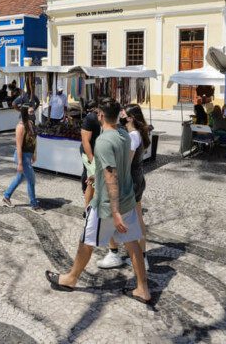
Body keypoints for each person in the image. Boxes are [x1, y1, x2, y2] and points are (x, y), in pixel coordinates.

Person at [44, 98, 151, 305]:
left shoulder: (103, 141)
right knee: (132, 243)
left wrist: (115, 210)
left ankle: (71, 279)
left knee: (86, 241)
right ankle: (142, 289)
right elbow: (116, 166)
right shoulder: (123, 135)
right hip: (128, 198)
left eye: (97, 113)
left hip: (108, 205)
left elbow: (111, 175)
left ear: (101, 115)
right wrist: (98, 177)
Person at [97, 103, 152, 270]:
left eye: (123, 113)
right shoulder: (135, 133)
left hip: (131, 181)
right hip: (137, 178)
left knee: (114, 215)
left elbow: (125, 163)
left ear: (130, 118)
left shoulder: (133, 136)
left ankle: (116, 254)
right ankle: (139, 256)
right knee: (135, 218)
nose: (120, 114)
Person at [2, 104, 43, 213]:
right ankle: (34, 204)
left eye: (33, 112)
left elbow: (33, 141)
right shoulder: (20, 126)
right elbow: (19, 146)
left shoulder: (30, 124)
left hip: (28, 155)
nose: (33, 114)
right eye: (30, 112)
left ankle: (6, 196)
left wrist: (34, 154)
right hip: (22, 156)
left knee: (19, 178)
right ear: (25, 113)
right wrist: (20, 163)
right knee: (31, 180)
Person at [80, 100, 101, 208]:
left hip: (98, 154)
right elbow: (85, 140)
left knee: (91, 180)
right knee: (94, 182)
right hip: (90, 153)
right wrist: (91, 159)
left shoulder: (105, 118)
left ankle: (89, 208)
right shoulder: (90, 118)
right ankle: (89, 209)